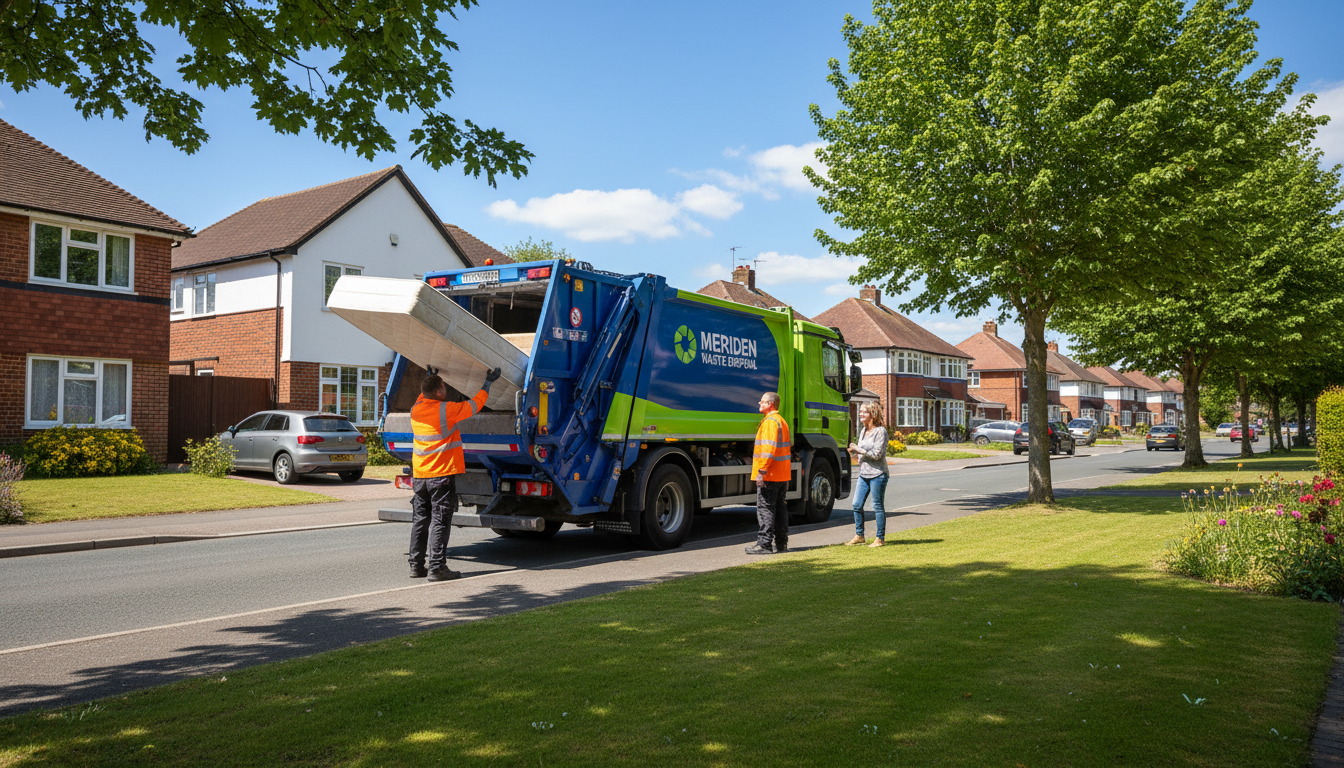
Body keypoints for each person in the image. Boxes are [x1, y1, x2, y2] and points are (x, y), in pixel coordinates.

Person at [408, 366, 501, 581]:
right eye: (443, 387)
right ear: (439, 392)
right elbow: (474, 405)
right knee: (440, 520)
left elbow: (423, 395)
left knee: (420, 520)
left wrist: (429, 378)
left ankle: (416, 566)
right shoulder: (446, 409)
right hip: (440, 475)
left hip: (420, 475)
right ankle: (437, 568)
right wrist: (488, 382)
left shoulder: (416, 409)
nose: (446, 390)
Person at [746, 391, 792, 555]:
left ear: (770, 404)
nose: (759, 403)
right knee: (779, 509)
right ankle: (781, 543)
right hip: (781, 474)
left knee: (766, 509)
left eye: (762, 401)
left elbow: (768, 449)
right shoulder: (781, 421)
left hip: (770, 474)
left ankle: (764, 544)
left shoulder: (770, 422)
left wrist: (762, 471)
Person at [845, 403, 889, 547]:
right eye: (860, 412)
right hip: (864, 474)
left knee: (877, 506)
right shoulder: (863, 430)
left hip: (878, 474)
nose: (860, 414)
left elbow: (877, 455)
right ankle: (859, 535)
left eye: (864, 412)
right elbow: (861, 453)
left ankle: (880, 538)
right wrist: (853, 452)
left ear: (873, 414)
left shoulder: (880, 432)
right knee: (856, 504)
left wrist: (858, 449)